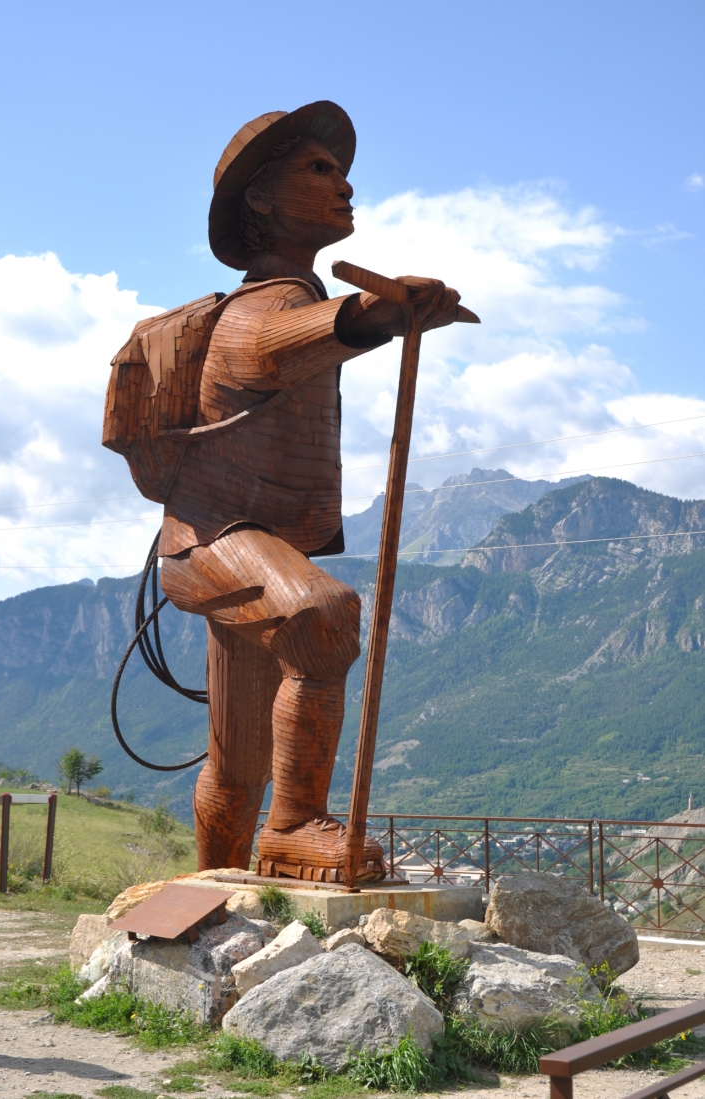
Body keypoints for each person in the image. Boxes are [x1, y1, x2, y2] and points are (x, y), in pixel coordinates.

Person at [104, 101, 460, 881]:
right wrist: (375, 314)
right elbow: (278, 348)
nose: (345, 183)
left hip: (252, 544)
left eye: (340, 170)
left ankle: (218, 892)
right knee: (322, 616)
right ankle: (295, 825)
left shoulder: (293, 299)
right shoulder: (258, 309)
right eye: (318, 169)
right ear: (261, 200)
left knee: (236, 765)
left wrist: (375, 314)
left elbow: (307, 338)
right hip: (215, 540)